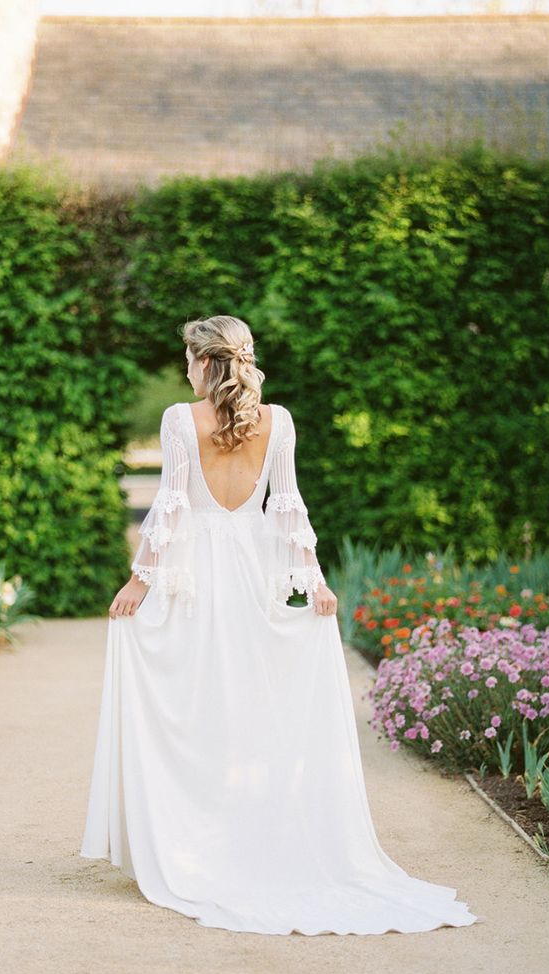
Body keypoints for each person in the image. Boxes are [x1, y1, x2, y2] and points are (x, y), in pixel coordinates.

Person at [80, 315, 480, 936]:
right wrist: (312, 582)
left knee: (195, 700)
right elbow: (289, 506)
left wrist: (141, 578)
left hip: (200, 577)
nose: (185, 369)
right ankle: (243, 831)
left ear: (207, 364)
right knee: (252, 702)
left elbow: (173, 504)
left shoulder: (181, 420)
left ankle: (200, 838)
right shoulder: (281, 421)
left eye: (188, 359)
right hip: (255, 572)